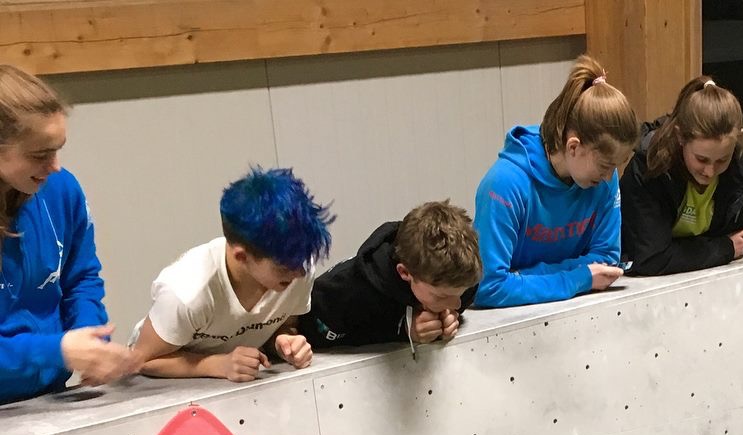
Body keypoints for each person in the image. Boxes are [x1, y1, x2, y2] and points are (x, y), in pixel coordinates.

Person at [0, 65, 137, 406]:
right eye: (40, 155)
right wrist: (58, 350)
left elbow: (81, 278)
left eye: (58, 149)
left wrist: (91, 339)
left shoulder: (62, 190)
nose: (55, 165)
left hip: (49, 398)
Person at [129, 167, 332, 383]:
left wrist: (285, 340)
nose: (299, 273)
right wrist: (215, 364)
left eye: (302, 261)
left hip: (236, 383)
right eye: (284, 267)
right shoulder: (187, 293)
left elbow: (284, 322)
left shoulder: (297, 266)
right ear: (242, 256)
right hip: (165, 385)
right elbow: (141, 360)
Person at [473, 55, 638, 308]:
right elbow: (488, 287)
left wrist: (521, 278)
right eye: (605, 166)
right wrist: (578, 278)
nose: (609, 177)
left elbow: (606, 261)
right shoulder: (504, 185)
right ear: (574, 147)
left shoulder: (604, 179)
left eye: (615, 167)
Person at [620, 76, 743, 276]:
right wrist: (723, 248)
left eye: (722, 160)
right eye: (701, 159)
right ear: (680, 137)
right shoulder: (649, 166)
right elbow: (651, 258)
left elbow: (742, 236)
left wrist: (682, 251)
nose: (710, 171)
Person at [297, 200, 481, 351]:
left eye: (460, 293)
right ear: (405, 273)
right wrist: (402, 329)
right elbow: (309, 335)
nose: (456, 303)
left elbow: (458, 299)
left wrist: (448, 317)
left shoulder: (462, 273)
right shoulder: (344, 293)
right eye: (443, 296)